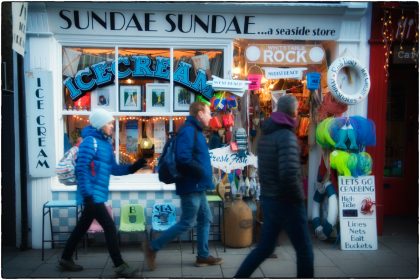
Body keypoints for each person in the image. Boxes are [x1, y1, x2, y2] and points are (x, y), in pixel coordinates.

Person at [58, 108, 147, 277]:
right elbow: (81, 169)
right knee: (109, 227)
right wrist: (88, 195)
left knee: (82, 226)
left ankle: (65, 258)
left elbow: (114, 169)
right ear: (100, 124)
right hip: (92, 194)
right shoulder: (89, 142)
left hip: (97, 193)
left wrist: (134, 167)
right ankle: (119, 265)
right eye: (109, 123)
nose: (112, 126)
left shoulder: (106, 144)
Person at [234, 95, 314, 278]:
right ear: (292, 112)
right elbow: (288, 174)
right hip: (288, 202)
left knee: (264, 248)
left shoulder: (266, 136)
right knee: (304, 249)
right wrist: (298, 199)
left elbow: (265, 169)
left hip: (270, 199)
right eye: (296, 109)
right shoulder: (286, 136)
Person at [143, 102, 223, 270]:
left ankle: (202, 256)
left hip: (197, 186)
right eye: (208, 113)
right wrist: (200, 170)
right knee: (187, 222)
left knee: (205, 218)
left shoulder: (196, 131)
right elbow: (183, 158)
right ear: (200, 113)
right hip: (191, 185)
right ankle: (152, 247)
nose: (210, 117)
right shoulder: (188, 131)